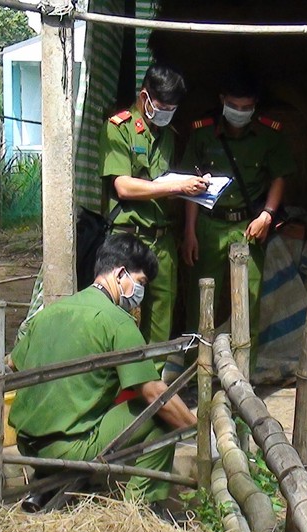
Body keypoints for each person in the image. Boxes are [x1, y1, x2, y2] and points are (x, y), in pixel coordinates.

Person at [9, 234, 197, 506]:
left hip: (28, 445)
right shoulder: (118, 322)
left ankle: (44, 486)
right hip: (69, 450)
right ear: (121, 274)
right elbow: (156, 396)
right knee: (161, 416)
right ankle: (140, 508)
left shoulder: (51, 312)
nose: (140, 295)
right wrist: (198, 431)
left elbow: (14, 363)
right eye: (140, 283)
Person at [179, 75, 295, 359]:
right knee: (200, 300)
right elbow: (191, 185)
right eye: (233, 105)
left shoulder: (269, 134)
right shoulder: (202, 133)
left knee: (247, 300)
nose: (239, 112)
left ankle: (245, 374)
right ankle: (199, 371)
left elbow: (280, 175)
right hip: (209, 224)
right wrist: (190, 231)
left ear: (255, 106)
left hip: (248, 226)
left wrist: (267, 215)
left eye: (246, 107)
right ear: (222, 101)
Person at [100, 64, 209, 352]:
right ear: (144, 97)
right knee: (118, 316)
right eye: (161, 106)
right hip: (128, 238)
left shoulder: (169, 136)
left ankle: (152, 391)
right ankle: (120, 389)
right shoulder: (118, 128)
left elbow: (167, 185)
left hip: (163, 240)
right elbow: (124, 186)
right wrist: (176, 187)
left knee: (161, 325)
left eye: (172, 108)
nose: (166, 113)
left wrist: (194, 187)